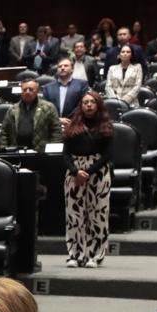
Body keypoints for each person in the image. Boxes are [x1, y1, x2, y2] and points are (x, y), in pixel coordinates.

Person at [63, 91, 115, 269]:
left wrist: (89, 171)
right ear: (81, 106)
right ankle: (75, 255)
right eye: (85, 102)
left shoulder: (106, 126)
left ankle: (94, 255)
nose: (89, 105)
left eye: (92, 102)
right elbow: (65, 153)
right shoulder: (72, 126)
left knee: (97, 214)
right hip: (74, 172)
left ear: (98, 105)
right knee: (74, 215)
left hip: (98, 172)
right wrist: (75, 171)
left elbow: (108, 154)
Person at [0, 79, 65, 152]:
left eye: (30, 89)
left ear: (37, 91)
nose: (27, 92)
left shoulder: (48, 107)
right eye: (24, 89)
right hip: (17, 152)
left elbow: (56, 131)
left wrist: (53, 152)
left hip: (41, 153)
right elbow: (4, 132)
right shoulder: (12, 109)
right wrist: (4, 150)